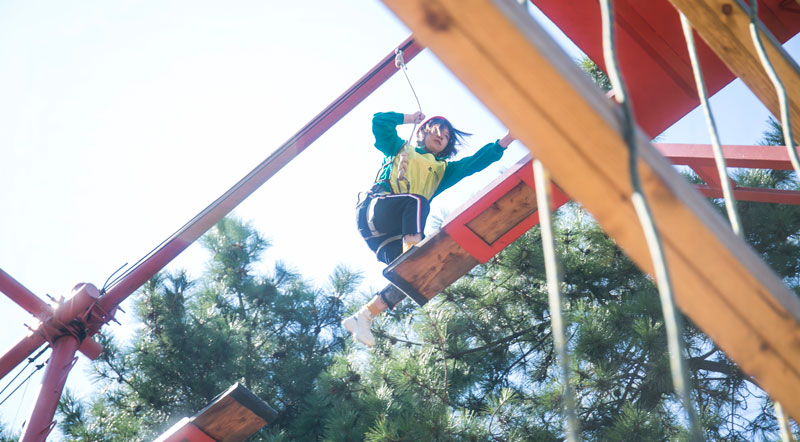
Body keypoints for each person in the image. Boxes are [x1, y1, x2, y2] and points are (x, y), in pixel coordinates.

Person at [342, 110, 515, 346]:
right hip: (375, 212)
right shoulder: (400, 149)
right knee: (416, 202)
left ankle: (365, 315)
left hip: (388, 238)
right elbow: (379, 121)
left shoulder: (442, 170)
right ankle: (412, 251)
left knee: (416, 276)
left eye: (447, 136)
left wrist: (506, 140)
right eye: (438, 130)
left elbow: (475, 163)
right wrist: (410, 118)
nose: (442, 137)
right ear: (423, 131)